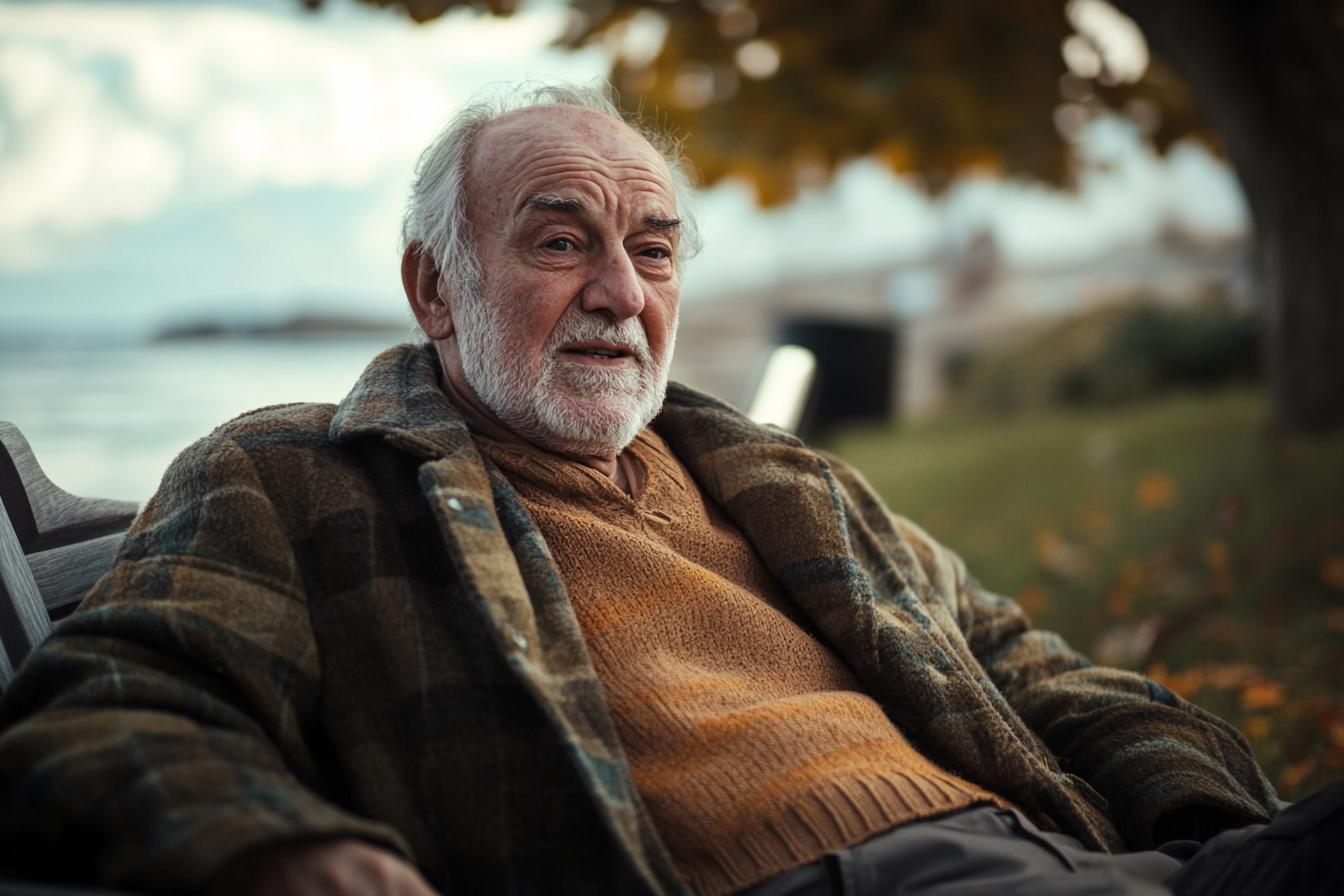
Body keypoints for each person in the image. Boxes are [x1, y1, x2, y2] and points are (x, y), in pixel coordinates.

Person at [0, 82, 1338, 896]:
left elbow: (1029, 670)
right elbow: (108, 701)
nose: (622, 294)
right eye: (560, 240)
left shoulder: (776, 478)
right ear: (432, 289)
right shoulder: (297, 477)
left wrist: (1226, 830)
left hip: (1084, 860)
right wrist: (268, 850)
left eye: (652, 249)